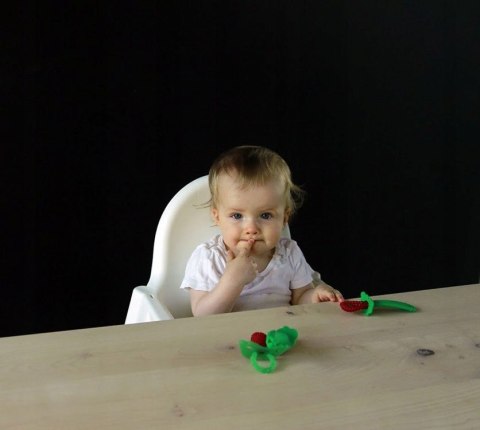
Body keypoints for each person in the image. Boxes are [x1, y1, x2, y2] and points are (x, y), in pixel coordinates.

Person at [180, 145, 344, 316]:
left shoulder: (289, 254)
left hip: (281, 331)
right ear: (217, 217)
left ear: (284, 219)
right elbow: (202, 316)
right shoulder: (209, 258)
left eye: (265, 215)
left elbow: (300, 299)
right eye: (237, 216)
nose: (251, 228)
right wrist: (232, 280)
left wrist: (314, 296)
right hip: (231, 333)